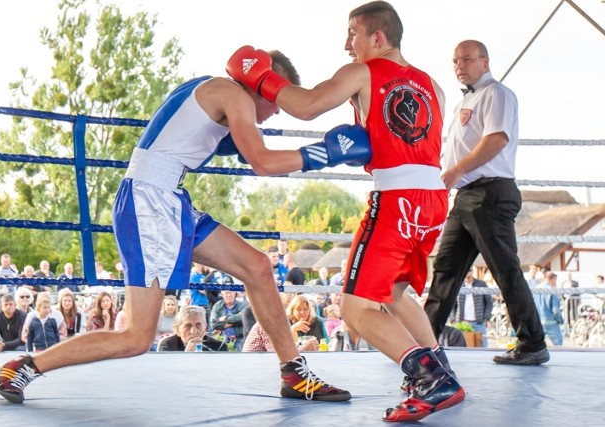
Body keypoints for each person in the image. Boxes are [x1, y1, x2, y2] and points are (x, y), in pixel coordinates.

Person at [0, 49, 368, 404]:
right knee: (136, 338)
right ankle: (23, 367)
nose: (275, 113)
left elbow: (183, 136)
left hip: (168, 200)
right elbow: (262, 162)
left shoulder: (205, 87)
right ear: (265, 84)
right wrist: (326, 153)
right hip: (149, 202)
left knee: (257, 267)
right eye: (276, 101)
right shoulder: (233, 96)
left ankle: (294, 373)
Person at [226, 2, 464, 421]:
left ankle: (430, 380)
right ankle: (440, 367)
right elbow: (408, 144)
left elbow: (305, 105)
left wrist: (260, 77)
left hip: (396, 199)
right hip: (432, 201)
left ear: (377, 36)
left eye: (352, 34)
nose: (345, 45)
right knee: (391, 294)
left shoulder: (363, 72)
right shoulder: (434, 86)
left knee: (355, 308)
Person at [421, 39, 549, 366]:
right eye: (455, 61)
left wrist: (453, 173)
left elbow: (496, 140)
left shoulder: (497, 94)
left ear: (485, 61)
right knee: (445, 270)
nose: (459, 66)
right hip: (467, 196)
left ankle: (532, 343)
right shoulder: (468, 100)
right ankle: (423, 342)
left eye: (466, 59)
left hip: (489, 193)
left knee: (504, 271)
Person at [451, 268, 493, 347]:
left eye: (469, 270)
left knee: (482, 347)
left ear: (473, 271)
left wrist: (486, 318)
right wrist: (453, 319)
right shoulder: (458, 284)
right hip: (461, 323)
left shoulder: (481, 284)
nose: (467, 272)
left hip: (479, 322)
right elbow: (452, 304)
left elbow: (489, 302)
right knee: (460, 347)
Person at [157, 306, 227, 352]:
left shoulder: (218, 346)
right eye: (188, 326)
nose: (193, 331)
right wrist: (187, 355)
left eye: (198, 325)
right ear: (177, 330)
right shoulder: (167, 345)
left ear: (205, 328)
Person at [533, 272, 563, 346]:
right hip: (551, 321)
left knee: (536, 345)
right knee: (558, 344)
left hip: (538, 321)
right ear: (552, 279)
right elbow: (555, 310)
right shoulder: (552, 290)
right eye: (555, 280)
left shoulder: (535, 289)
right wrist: (559, 320)